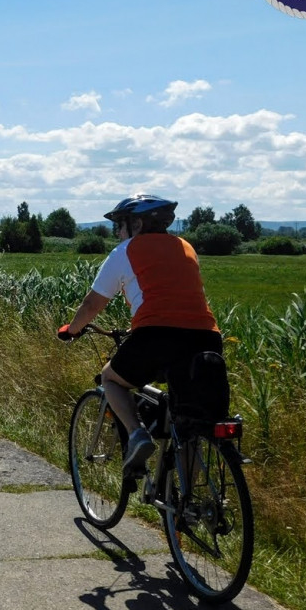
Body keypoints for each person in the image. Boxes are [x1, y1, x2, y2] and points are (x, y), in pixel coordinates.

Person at [57, 194, 222, 472]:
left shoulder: (126, 251)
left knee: (110, 378)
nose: (118, 233)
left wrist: (71, 330)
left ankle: (137, 434)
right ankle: (188, 497)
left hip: (156, 336)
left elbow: (92, 304)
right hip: (207, 338)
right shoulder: (186, 247)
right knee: (188, 423)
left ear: (137, 224)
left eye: (119, 225)